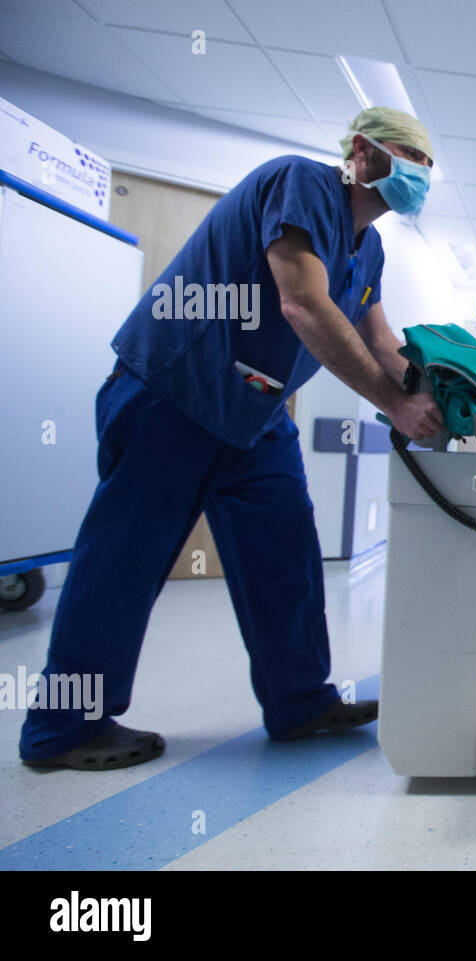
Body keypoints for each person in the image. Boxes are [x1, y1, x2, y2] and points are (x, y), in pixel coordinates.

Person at [19, 106, 444, 770]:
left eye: (426, 169)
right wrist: (393, 404)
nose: (417, 176)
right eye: (407, 159)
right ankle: (61, 727)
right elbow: (303, 303)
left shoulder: (371, 247)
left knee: (287, 555)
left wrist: (442, 390)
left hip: (254, 413)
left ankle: (300, 701)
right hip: (175, 389)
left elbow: (380, 339)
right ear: (362, 151)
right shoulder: (301, 184)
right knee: (123, 562)